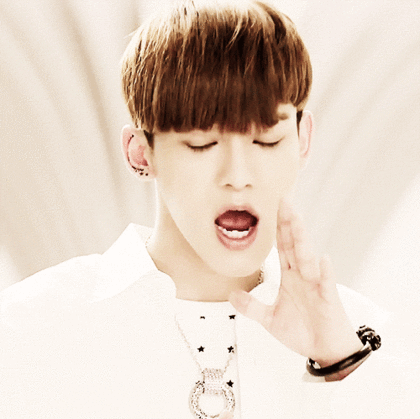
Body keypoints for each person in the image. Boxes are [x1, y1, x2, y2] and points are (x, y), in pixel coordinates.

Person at [0, 0, 417, 418]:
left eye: (267, 141)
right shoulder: (32, 329)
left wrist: (340, 362)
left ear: (302, 140)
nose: (238, 175)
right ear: (141, 153)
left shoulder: (363, 341)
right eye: (202, 144)